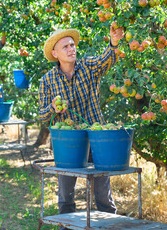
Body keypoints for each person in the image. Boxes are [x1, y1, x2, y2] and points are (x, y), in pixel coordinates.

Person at [38, 24, 124, 229]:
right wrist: (52, 108)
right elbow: (42, 116)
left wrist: (113, 42)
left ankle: (107, 226)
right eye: (65, 46)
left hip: (96, 139)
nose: (71, 49)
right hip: (67, 144)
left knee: (103, 194)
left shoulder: (88, 67)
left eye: (72, 45)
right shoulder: (47, 80)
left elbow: (107, 59)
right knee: (66, 196)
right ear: (55, 53)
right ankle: (66, 226)